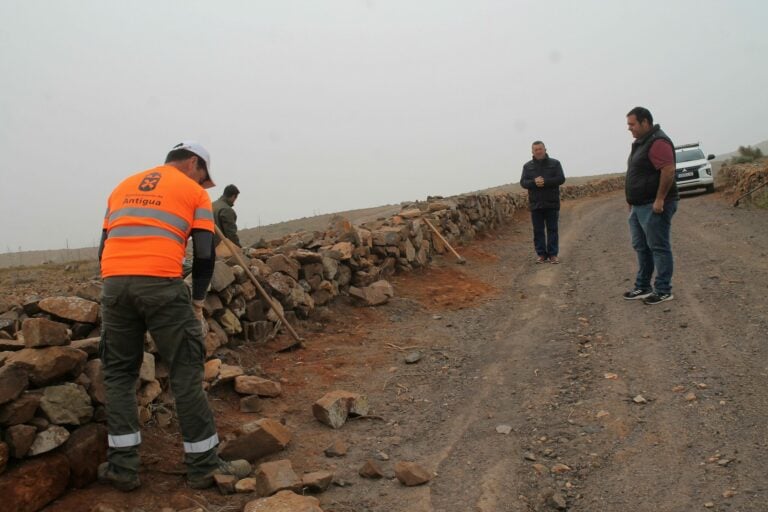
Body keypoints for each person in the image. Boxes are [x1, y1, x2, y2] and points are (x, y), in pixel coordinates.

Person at [97, 141, 250, 491]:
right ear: (194, 163)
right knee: (185, 370)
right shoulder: (193, 194)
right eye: (204, 176)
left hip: (114, 284)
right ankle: (204, 465)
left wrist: (114, 285)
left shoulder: (123, 185)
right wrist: (197, 300)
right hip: (161, 284)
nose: (203, 184)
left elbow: (104, 246)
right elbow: (206, 254)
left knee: (119, 374)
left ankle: (123, 468)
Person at [623, 107, 679, 305]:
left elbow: (668, 170)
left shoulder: (658, 141)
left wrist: (660, 199)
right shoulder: (641, 143)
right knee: (641, 247)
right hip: (639, 206)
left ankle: (663, 290)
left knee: (658, 247)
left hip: (653, 205)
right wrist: (631, 199)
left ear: (645, 122)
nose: (629, 128)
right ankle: (643, 286)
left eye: (632, 124)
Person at [520, 140, 566, 263]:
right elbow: (523, 182)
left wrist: (545, 181)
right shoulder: (527, 166)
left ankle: (553, 255)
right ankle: (541, 255)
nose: (538, 151)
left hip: (551, 203)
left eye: (540, 149)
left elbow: (561, 179)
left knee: (552, 229)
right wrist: (534, 182)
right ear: (532, 152)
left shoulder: (555, 163)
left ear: (545, 149)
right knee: (538, 230)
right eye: (536, 150)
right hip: (536, 204)